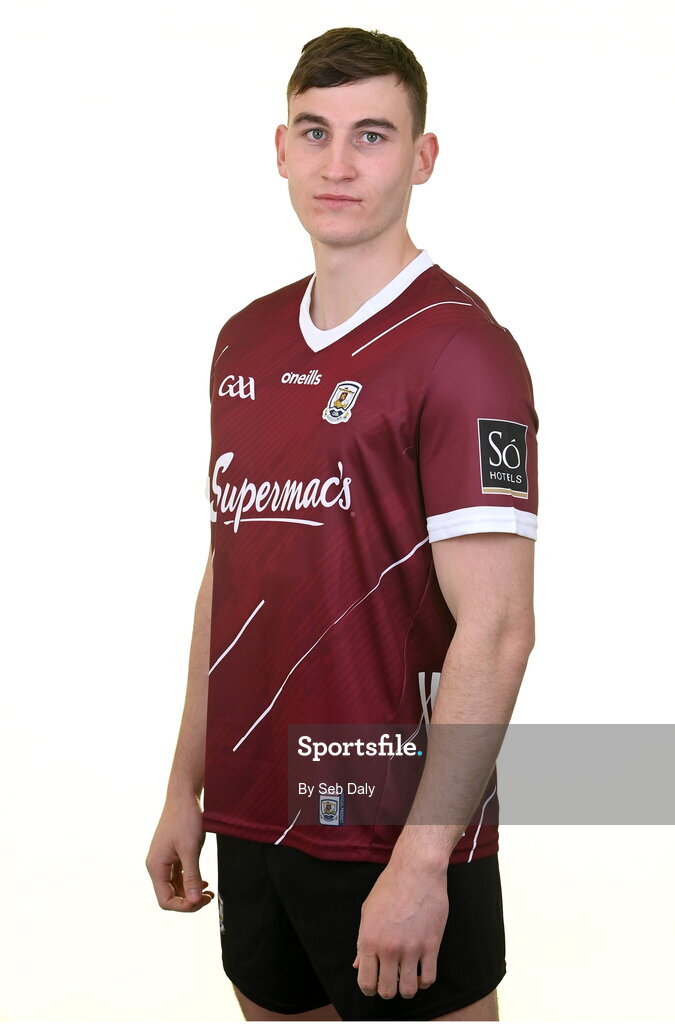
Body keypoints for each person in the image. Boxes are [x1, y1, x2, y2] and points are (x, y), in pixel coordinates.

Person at [146, 25, 538, 1023]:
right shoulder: (245, 338)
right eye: (315, 132)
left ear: (423, 157)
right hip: (253, 816)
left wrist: (424, 856)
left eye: (372, 135)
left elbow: (498, 628)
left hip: (387, 823)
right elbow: (227, 576)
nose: (337, 161)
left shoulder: (464, 352)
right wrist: (185, 786)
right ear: (281, 150)